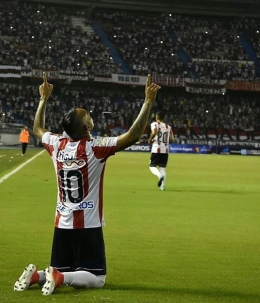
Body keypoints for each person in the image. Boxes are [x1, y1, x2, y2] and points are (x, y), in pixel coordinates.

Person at [14, 72, 161, 295]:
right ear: (87, 128)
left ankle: (37, 276)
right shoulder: (96, 148)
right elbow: (132, 136)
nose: (90, 116)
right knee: (97, 277)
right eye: (88, 116)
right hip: (88, 224)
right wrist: (148, 102)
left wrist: (43, 98)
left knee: (67, 267)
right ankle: (58, 276)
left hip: (62, 223)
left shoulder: (56, 144)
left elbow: (37, 129)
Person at [148, 111, 174, 191]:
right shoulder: (168, 127)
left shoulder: (154, 124)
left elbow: (154, 132)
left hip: (156, 149)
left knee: (152, 166)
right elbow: (172, 140)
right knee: (162, 168)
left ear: (156, 117)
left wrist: (150, 139)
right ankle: (162, 186)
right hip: (165, 150)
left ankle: (159, 176)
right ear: (163, 118)